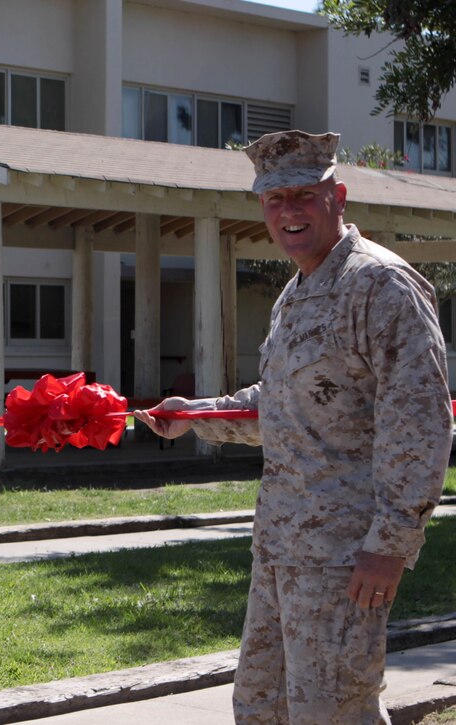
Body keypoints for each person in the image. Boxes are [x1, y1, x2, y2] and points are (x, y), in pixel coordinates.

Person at [135, 130, 452, 724]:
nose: (288, 211)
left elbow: (421, 422)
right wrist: (195, 416)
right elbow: (282, 404)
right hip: (280, 549)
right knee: (262, 708)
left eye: (304, 195)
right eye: (274, 200)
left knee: (334, 711)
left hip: (345, 558)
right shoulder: (297, 292)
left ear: (339, 197)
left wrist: (390, 546)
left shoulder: (380, 286)